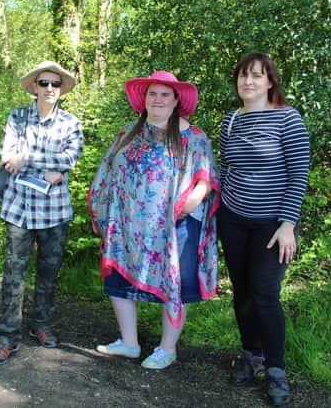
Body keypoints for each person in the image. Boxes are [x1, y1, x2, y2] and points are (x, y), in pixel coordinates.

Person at [89, 71, 220, 370]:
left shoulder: (193, 137)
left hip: (177, 225)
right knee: (118, 282)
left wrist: (194, 198)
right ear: (144, 99)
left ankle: (167, 348)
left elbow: (208, 175)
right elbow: (109, 169)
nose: (158, 99)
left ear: (176, 101)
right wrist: (107, 207)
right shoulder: (128, 133)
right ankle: (129, 343)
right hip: (128, 225)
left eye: (165, 94)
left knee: (174, 282)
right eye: (152, 94)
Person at [218, 52, 309, 406]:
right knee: (242, 291)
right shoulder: (230, 122)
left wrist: (288, 225)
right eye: (243, 76)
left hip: (273, 226)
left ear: (270, 81)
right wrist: (217, 213)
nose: (248, 82)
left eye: (256, 76)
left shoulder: (288, 119)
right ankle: (251, 357)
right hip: (233, 220)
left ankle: (276, 370)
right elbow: (226, 170)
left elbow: (298, 173)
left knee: (265, 294)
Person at [0, 61, 84, 366]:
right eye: (44, 83)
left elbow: (70, 156)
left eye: (55, 84)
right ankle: (7, 337)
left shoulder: (71, 122)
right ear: (34, 86)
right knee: (13, 275)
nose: (50, 89)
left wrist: (26, 156)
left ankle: (41, 324)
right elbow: (7, 158)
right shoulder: (17, 117)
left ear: (61, 89)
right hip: (18, 208)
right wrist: (46, 166)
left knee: (49, 273)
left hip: (55, 211)